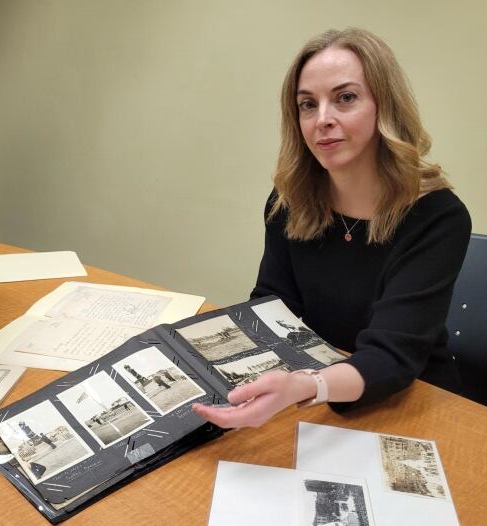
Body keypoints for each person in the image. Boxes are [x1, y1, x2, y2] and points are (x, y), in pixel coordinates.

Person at [193, 28, 470, 428]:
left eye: (346, 98)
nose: (323, 119)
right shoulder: (290, 201)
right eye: (308, 104)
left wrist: (308, 386)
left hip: (409, 401)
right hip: (314, 389)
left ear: (384, 107)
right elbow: (273, 307)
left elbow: (391, 356)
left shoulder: (438, 216)